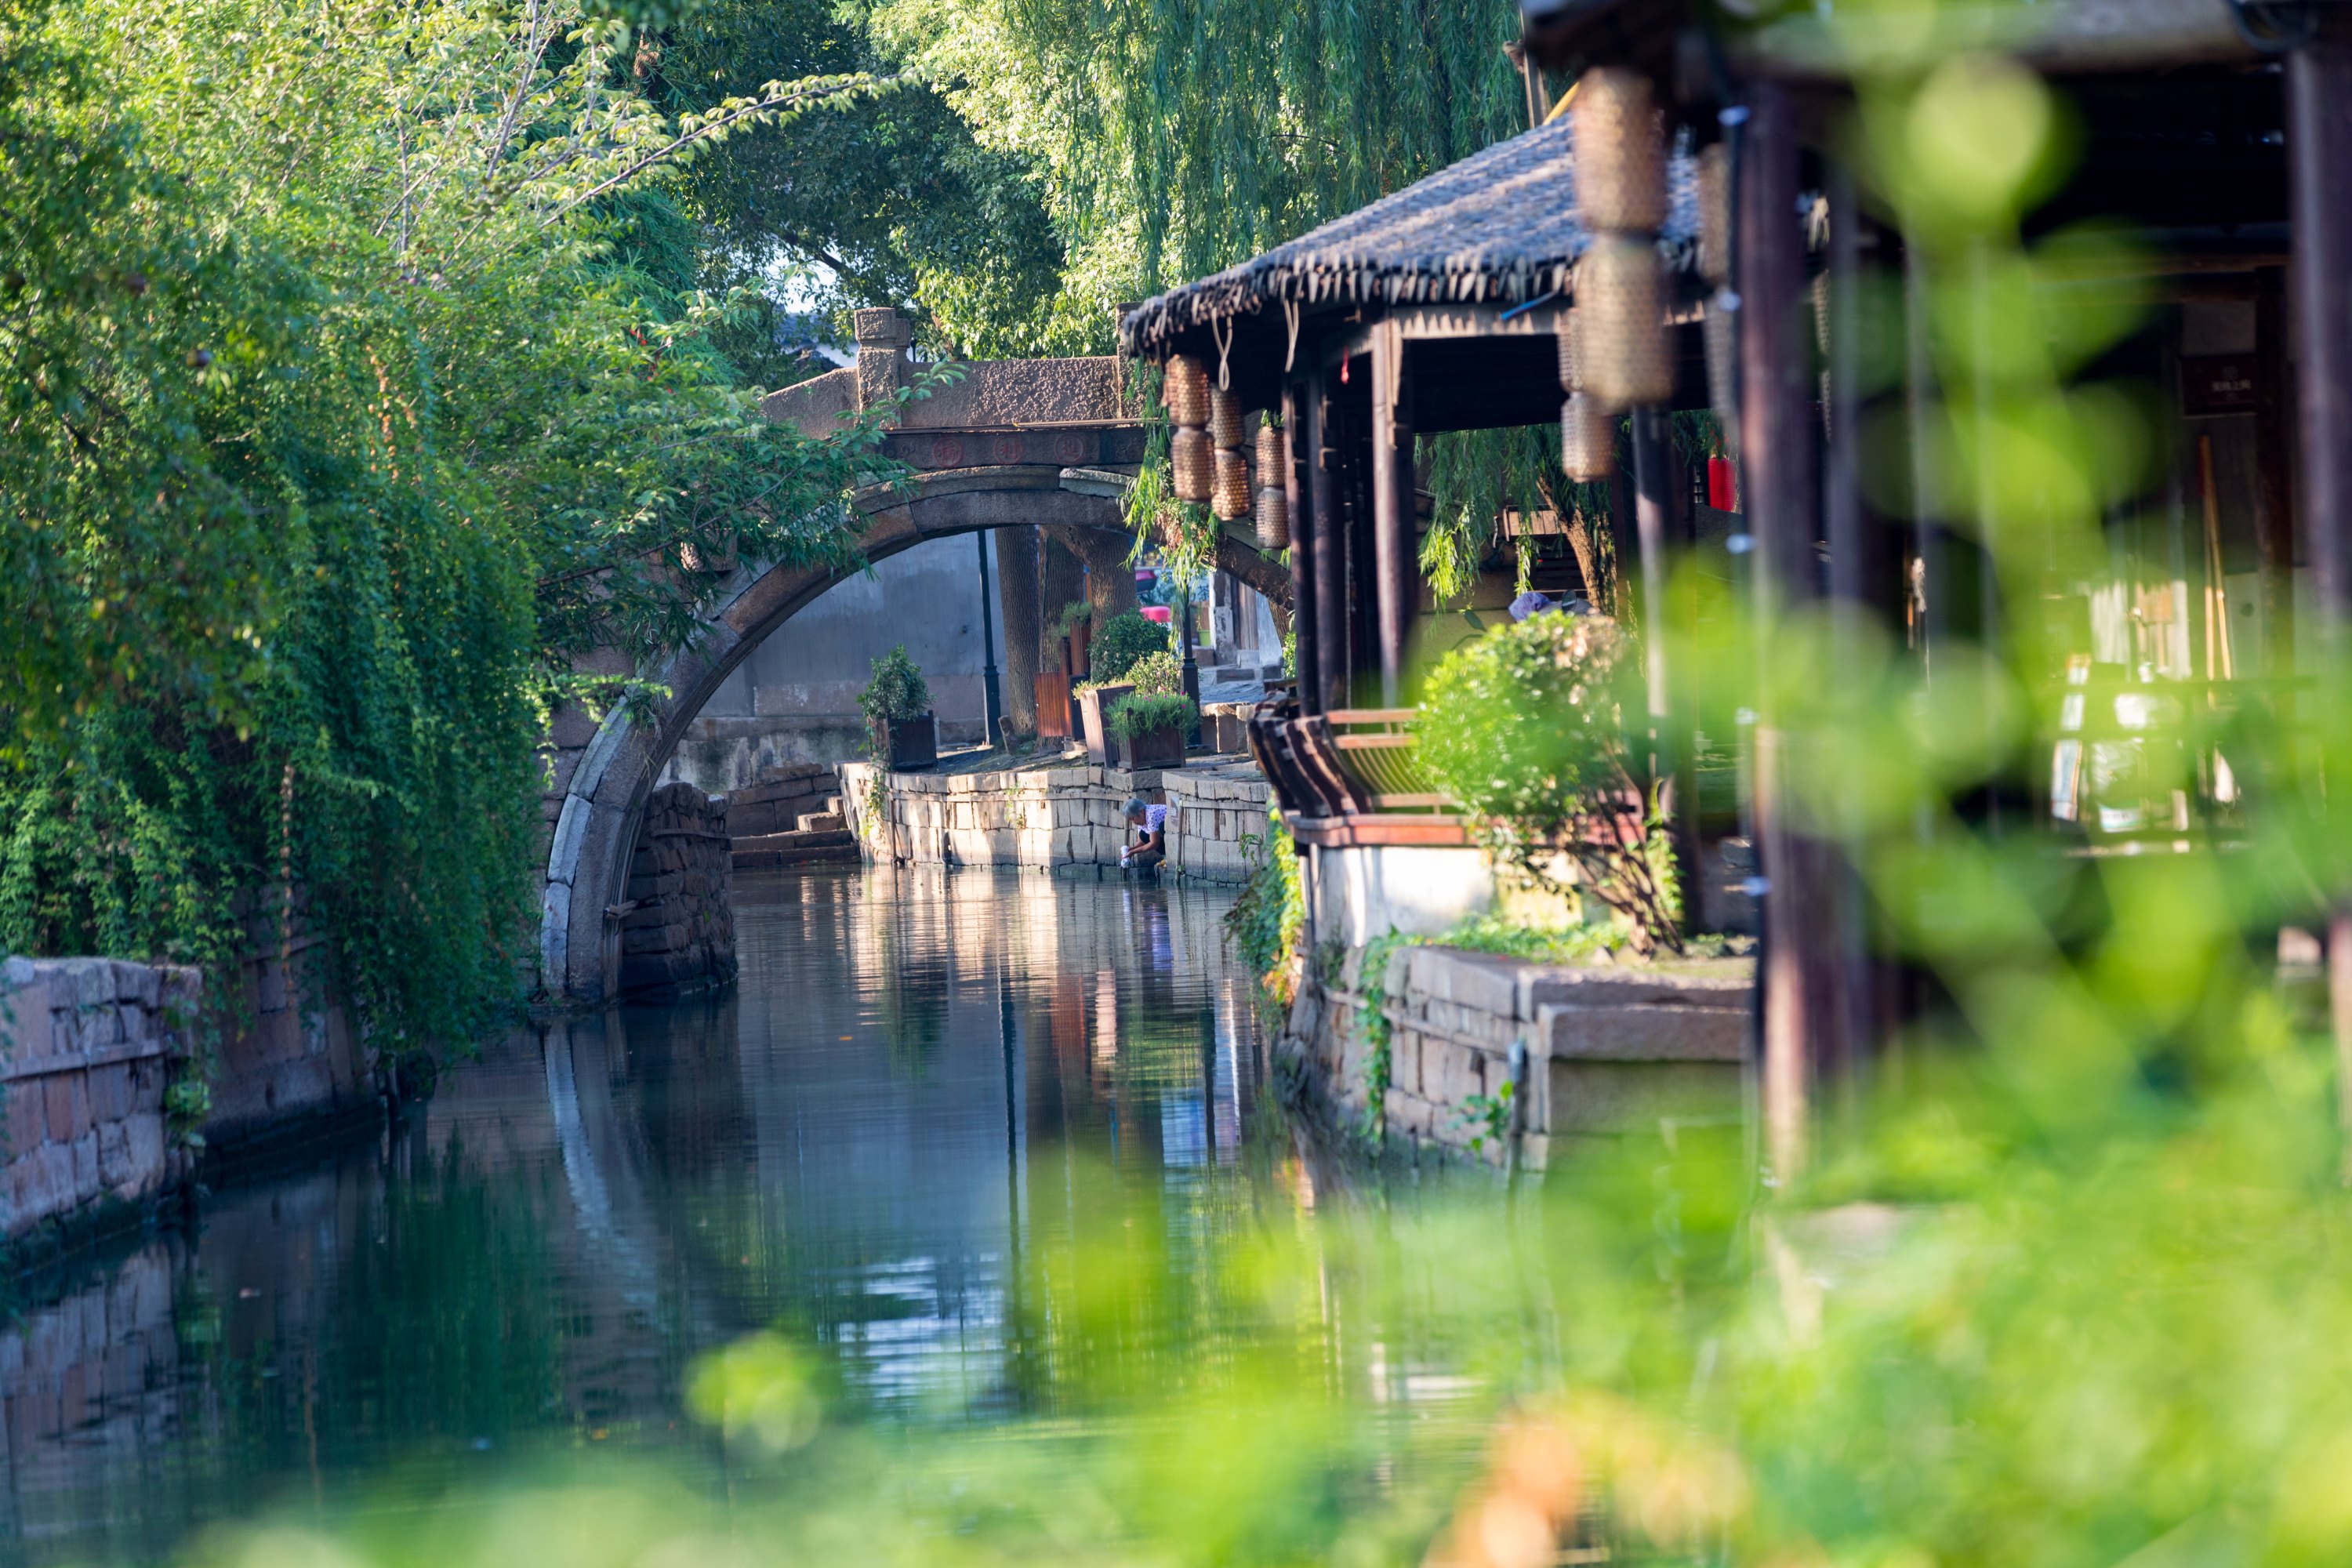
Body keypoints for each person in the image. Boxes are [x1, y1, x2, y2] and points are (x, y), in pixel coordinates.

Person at [1120, 795, 1169, 871]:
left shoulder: (1151, 815)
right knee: (1143, 835)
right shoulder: (1142, 817)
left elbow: (1154, 843)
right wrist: (1130, 850)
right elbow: (1141, 842)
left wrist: (1133, 852)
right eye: (1131, 820)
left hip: (1171, 829)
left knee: (1162, 827)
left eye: (1133, 819)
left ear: (1141, 812)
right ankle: (1167, 857)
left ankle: (1169, 858)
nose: (1133, 822)